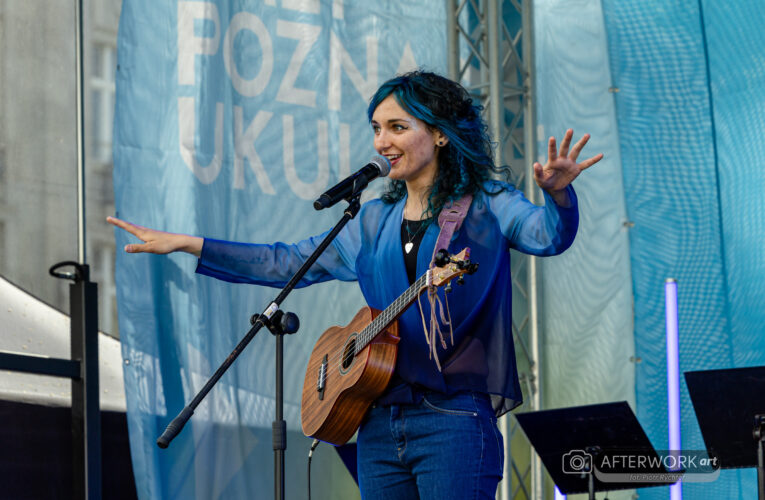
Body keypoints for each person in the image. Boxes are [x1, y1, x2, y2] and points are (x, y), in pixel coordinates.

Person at [108, 70, 602, 500]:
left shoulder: (487, 203)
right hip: (375, 420)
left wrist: (560, 197)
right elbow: (287, 262)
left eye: (397, 127)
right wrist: (192, 244)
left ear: (442, 135)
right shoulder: (370, 220)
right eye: (376, 128)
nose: (381, 141)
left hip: (451, 419)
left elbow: (547, 236)